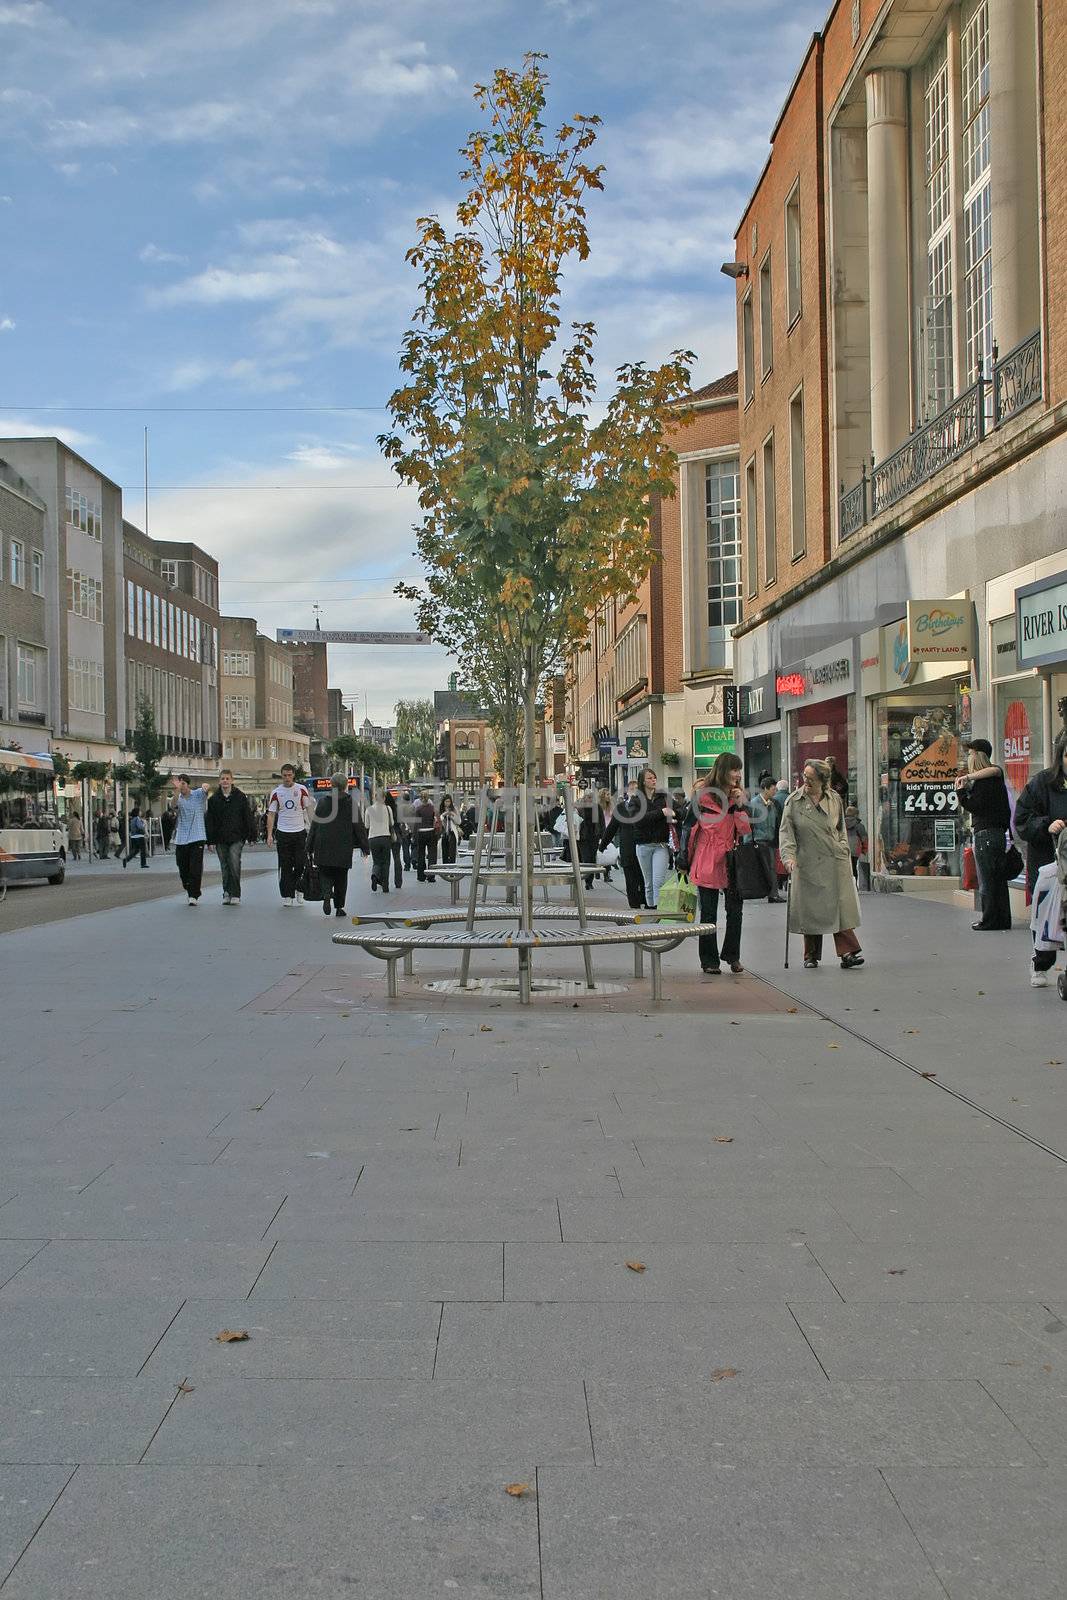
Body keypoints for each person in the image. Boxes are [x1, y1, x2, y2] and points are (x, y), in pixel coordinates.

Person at [779, 759, 864, 969]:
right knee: (812, 909)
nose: (804, 781)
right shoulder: (794, 801)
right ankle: (811, 955)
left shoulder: (834, 798)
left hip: (835, 860)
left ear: (823, 781)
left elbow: (840, 828)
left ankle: (847, 953)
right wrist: (788, 857)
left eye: (810, 778)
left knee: (840, 907)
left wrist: (843, 846)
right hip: (808, 861)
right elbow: (786, 833)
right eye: (804, 776)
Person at [685, 752, 751, 975]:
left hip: (731, 858)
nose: (738, 774)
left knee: (735, 911)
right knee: (709, 913)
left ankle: (733, 956)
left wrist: (740, 805)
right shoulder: (703, 795)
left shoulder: (737, 796)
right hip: (707, 857)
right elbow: (689, 828)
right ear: (723, 771)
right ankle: (709, 960)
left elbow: (745, 830)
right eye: (734, 770)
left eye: (739, 770)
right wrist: (683, 858)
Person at [1014, 728, 1067, 987]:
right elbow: (1021, 820)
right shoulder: (1042, 783)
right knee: (1047, 911)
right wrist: (1046, 825)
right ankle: (1041, 962)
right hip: (1049, 859)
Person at [955, 738, 1012, 932]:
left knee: (987, 879)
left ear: (977, 755)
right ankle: (1002, 918)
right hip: (996, 833)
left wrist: (961, 793)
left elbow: (976, 806)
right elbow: (996, 770)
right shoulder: (993, 778)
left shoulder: (986, 781)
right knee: (997, 878)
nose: (968, 757)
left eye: (970, 754)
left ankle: (990, 920)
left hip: (985, 834)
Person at [308, 774, 358, 918]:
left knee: (325, 873)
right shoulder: (351, 803)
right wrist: (364, 845)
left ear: (331, 785)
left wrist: (309, 846)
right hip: (343, 846)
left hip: (323, 845)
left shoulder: (323, 802)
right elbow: (358, 826)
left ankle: (326, 894)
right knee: (341, 877)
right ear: (345, 786)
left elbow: (315, 825)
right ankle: (339, 907)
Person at [206, 768, 257, 906]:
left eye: (227, 778)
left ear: (232, 780)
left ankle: (235, 893)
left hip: (236, 837)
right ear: (219, 781)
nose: (225, 781)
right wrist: (210, 840)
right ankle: (226, 892)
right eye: (223, 779)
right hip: (220, 838)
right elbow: (210, 821)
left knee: (234, 861)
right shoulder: (214, 800)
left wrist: (252, 835)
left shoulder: (240, 797)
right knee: (224, 865)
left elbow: (247, 817)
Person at [266, 763, 311, 907]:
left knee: (300, 863)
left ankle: (299, 888)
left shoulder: (301, 789)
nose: (287, 778)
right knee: (285, 865)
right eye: (284, 775)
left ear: (293, 775)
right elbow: (271, 815)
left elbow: (309, 810)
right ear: (281, 776)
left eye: (289, 775)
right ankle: (287, 894)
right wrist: (269, 835)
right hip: (283, 832)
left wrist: (314, 829)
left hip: (299, 832)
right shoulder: (276, 792)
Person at [631, 767, 675, 910]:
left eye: (654, 777)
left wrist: (675, 815)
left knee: (658, 881)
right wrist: (660, 813)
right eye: (650, 778)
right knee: (648, 882)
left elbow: (679, 810)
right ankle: (650, 910)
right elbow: (638, 820)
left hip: (660, 845)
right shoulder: (636, 800)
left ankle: (658, 910)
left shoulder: (664, 797)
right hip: (643, 845)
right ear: (643, 781)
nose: (653, 780)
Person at [601, 778, 646, 909]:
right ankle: (634, 905)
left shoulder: (645, 806)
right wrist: (603, 845)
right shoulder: (621, 808)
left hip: (643, 846)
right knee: (630, 879)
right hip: (628, 848)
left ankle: (646, 901)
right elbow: (612, 828)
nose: (634, 792)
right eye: (632, 789)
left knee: (643, 877)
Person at [172, 774, 209, 905]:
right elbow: (173, 806)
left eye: (183, 783)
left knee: (195, 867)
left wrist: (205, 787)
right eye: (179, 783)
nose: (181, 786)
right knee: (182, 866)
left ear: (188, 784)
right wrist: (176, 790)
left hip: (197, 836)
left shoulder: (197, 795)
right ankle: (188, 886)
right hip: (181, 838)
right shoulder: (178, 798)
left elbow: (205, 791)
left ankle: (193, 894)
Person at [749, 773, 784, 903]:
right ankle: (772, 893)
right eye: (773, 789)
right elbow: (750, 824)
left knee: (771, 867)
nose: (775, 791)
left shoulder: (773, 804)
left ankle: (772, 893)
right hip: (759, 840)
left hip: (770, 840)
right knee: (768, 868)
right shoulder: (755, 804)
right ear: (765, 788)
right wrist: (749, 842)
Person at [366, 788, 397, 893]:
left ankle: (375, 875)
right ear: (384, 798)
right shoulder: (388, 808)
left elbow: (367, 825)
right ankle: (385, 886)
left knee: (376, 861)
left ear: (374, 798)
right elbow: (392, 823)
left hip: (373, 838)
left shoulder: (369, 809)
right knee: (386, 862)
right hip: (385, 837)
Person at [413, 790, 438, 882]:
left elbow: (416, 823)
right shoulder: (432, 808)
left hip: (420, 833)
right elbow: (435, 820)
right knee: (432, 854)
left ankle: (421, 876)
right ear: (428, 798)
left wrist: (414, 835)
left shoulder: (418, 809)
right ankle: (431, 876)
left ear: (420, 798)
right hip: (431, 832)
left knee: (421, 854)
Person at [383, 790, 405, 889]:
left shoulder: (382, 809)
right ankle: (398, 882)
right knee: (397, 858)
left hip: (385, 835)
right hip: (396, 834)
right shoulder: (396, 808)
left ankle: (384, 882)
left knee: (385, 860)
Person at [844, 805, 869, 883]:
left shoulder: (841, 824)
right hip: (855, 850)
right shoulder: (859, 825)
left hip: (843, 849)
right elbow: (864, 838)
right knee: (854, 867)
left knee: (845, 868)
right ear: (856, 814)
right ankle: (854, 884)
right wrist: (864, 850)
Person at [439, 794, 460, 866]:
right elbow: (438, 820)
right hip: (444, 833)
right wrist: (443, 815)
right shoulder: (441, 809)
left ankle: (452, 869)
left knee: (452, 852)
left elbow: (459, 821)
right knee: (444, 852)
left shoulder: (454, 809)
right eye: (446, 801)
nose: (447, 803)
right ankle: (445, 869)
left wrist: (452, 816)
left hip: (452, 833)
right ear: (443, 802)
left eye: (449, 801)